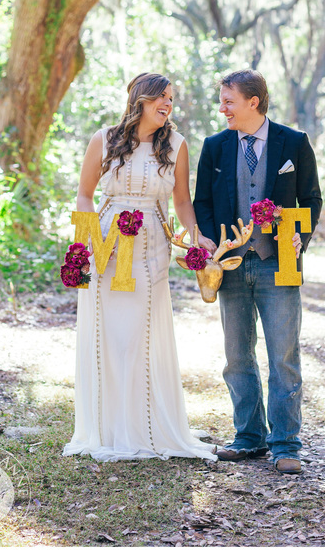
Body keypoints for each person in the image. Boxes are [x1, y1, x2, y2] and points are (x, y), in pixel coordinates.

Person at [64, 72, 216, 462]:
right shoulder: (104, 139)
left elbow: (182, 201)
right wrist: (86, 244)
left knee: (140, 336)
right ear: (140, 99)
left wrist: (195, 235)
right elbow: (84, 194)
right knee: (108, 336)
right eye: (160, 97)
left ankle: (147, 426)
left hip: (151, 246)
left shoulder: (177, 145)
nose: (167, 104)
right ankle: (109, 428)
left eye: (171, 98)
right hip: (108, 245)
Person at [193, 69, 323, 474]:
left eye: (229, 101)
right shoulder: (214, 146)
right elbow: (202, 204)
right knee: (236, 356)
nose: (222, 108)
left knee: (283, 355)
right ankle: (248, 438)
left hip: (277, 262)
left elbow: (311, 199)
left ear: (254, 101)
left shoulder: (294, 143)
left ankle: (286, 444)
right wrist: (209, 242)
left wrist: (300, 233)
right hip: (230, 264)